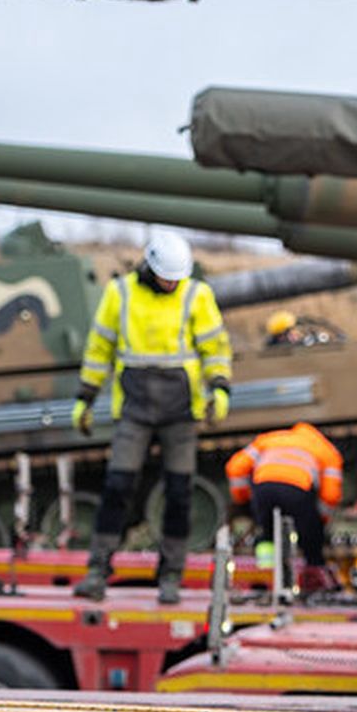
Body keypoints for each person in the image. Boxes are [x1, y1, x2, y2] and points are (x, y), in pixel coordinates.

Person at [70, 231, 232, 603]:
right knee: (117, 488)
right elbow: (99, 348)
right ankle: (97, 570)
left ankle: (171, 575)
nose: (173, 284)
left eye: (178, 278)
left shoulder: (196, 294)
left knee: (179, 494)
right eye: (167, 278)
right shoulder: (121, 293)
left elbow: (215, 346)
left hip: (180, 411)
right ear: (150, 268)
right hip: (135, 408)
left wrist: (219, 387)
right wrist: (86, 397)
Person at [225, 423, 343, 593]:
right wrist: (319, 521)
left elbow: (235, 467)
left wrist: (244, 501)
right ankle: (314, 574)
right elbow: (331, 495)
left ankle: (267, 578)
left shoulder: (271, 438)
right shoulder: (326, 450)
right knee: (310, 538)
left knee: (267, 532)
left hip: (263, 488)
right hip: (298, 490)